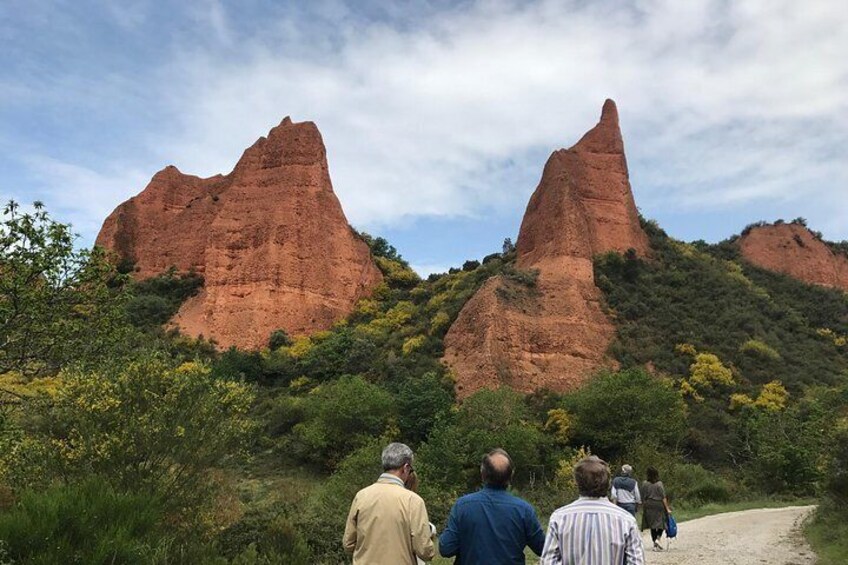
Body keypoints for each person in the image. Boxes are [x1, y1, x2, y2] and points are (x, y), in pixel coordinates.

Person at [439, 448, 545, 564]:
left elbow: (446, 548)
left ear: (483, 474)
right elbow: (543, 549)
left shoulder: (462, 506)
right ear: (511, 476)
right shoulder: (524, 510)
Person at [540, 456, 645, 565]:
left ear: (577, 482)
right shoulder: (626, 520)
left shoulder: (559, 518)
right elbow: (637, 561)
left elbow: (548, 561)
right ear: (608, 483)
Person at [343, 443, 436, 564]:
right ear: (406, 467)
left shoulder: (361, 496)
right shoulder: (413, 501)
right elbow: (424, 551)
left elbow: (348, 543)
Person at [641, 466, 672, 552]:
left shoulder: (644, 484)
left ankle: (655, 543)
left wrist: (643, 505)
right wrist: (667, 508)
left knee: (652, 525)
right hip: (658, 505)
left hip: (649, 504)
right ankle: (658, 539)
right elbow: (663, 497)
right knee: (661, 523)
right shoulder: (659, 484)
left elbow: (643, 496)